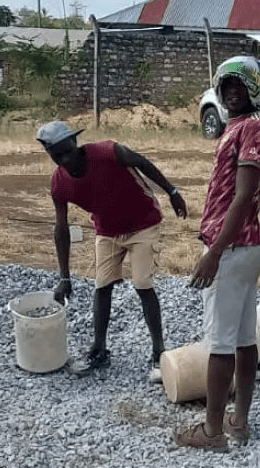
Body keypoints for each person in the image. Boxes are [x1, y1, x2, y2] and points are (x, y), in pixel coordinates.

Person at [37, 121, 188, 380]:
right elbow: (61, 229)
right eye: (57, 156)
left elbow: (141, 162)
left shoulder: (108, 152)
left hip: (143, 223)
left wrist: (172, 191)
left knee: (142, 283)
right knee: (102, 285)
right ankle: (99, 349)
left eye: (67, 151)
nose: (65, 159)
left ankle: (158, 351)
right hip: (107, 231)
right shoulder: (59, 184)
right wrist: (64, 277)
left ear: (76, 143)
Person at [173, 56, 260, 452]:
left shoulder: (251, 129)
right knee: (245, 338)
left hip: (231, 247)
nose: (233, 92)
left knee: (219, 343)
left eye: (240, 86)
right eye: (226, 86)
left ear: (255, 89)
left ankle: (213, 431)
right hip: (247, 245)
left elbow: (244, 195)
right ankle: (239, 420)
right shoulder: (242, 127)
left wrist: (214, 253)